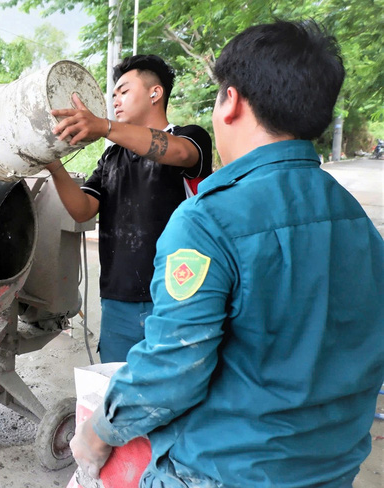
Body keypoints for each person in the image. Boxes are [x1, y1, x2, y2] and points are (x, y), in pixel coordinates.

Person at [69, 20, 384, 488]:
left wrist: (95, 435)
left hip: (222, 471)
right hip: (332, 468)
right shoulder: (354, 218)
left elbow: (171, 372)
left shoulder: (207, 219)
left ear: (231, 102)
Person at [47, 55, 212, 362]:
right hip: (116, 302)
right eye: (113, 95)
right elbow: (83, 210)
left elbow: (177, 151)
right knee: (119, 397)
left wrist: (104, 127)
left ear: (155, 93)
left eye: (124, 91)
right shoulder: (111, 158)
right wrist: (53, 164)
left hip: (175, 299)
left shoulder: (191, 136)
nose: (116, 101)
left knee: (173, 397)